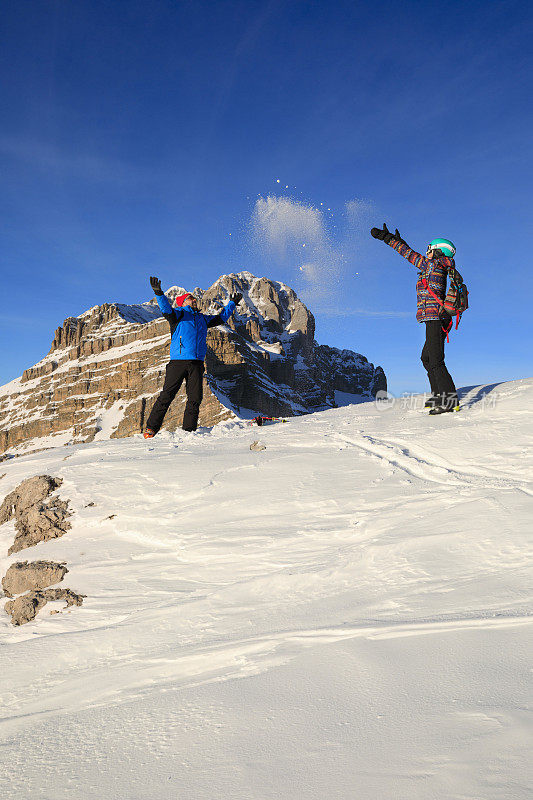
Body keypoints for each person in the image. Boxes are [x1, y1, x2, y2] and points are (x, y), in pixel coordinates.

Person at [370, 224, 459, 415]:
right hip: (435, 317)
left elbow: (408, 254)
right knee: (426, 357)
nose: (426, 252)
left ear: (436, 251)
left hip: (435, 317)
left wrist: (388, 239)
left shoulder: (433, 265)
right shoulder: (438, 265)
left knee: (436, 360)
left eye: (429, 249)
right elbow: (411, 253)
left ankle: (449, 401)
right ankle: (439, 396)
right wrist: (400, 242)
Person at [144, 277, 242, 437]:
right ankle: (151, 428)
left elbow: (221, 317)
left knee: (195, 398)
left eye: (194, 298)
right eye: (191, 298)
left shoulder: (202, 318)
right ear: (183, 302)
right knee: (167, 396)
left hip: (196, 363)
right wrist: (159, 293)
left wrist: (231, 304)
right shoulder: (178, 315)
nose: (194, 300)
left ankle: (189, 431)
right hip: (177, 363)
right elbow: (166, 309)